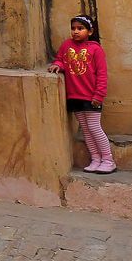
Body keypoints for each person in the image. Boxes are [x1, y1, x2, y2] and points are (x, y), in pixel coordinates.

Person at [48, 15, 115, 173]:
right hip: (74, 96)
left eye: (80, 28)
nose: (76, 32)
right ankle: (95, 159)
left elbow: (102, 74)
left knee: (94, 127)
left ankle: (108, 160)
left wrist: (99, 95)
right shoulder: (66, 45)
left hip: (91, 96)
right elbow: (60, 59)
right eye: (73, 28)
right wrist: (57, 65)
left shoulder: (95, 49)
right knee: (85, 129)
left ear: (90, 31)